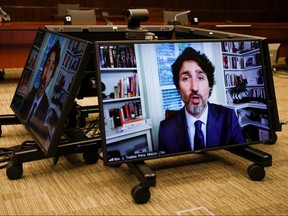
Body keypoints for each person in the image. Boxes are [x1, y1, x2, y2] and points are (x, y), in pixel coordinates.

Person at [158, 47, 245, 154]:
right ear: (178, 88)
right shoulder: (165, 129)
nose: (194, 87)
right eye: (186, 78)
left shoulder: (229, 118)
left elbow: (241, 158)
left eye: (200, 77)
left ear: (210, 86)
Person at [21, 40, 61, 142]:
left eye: (51, 68)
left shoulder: (47, 108)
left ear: (52, 77)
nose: (46, 73)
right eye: (47, 66)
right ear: (42, 68)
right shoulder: (28, 94)